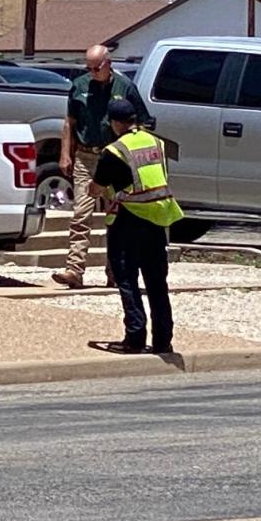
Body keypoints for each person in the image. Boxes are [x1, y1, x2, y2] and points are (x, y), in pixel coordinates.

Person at [88, 98, 183, 354]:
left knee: (127, 279)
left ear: (114, 122)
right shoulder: (157, 143)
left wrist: (96, 187)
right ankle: (163, 340)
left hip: (128, 220)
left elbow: (96, 188)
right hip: (157, 219)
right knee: (156, 282)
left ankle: (135, 338)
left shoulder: (114, 151)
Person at [53, 44, 149, 289]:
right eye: (89, 68)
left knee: (116, 218)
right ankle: (74, 269)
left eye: (97, 67)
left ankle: (115, 272)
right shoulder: (80, 86)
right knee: (80, 215)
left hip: (116, 158)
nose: (93, 72)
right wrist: (66, 154)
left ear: (108, 64)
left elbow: (142, 122)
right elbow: (69, 122)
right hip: (86, 157)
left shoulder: (125, 87)